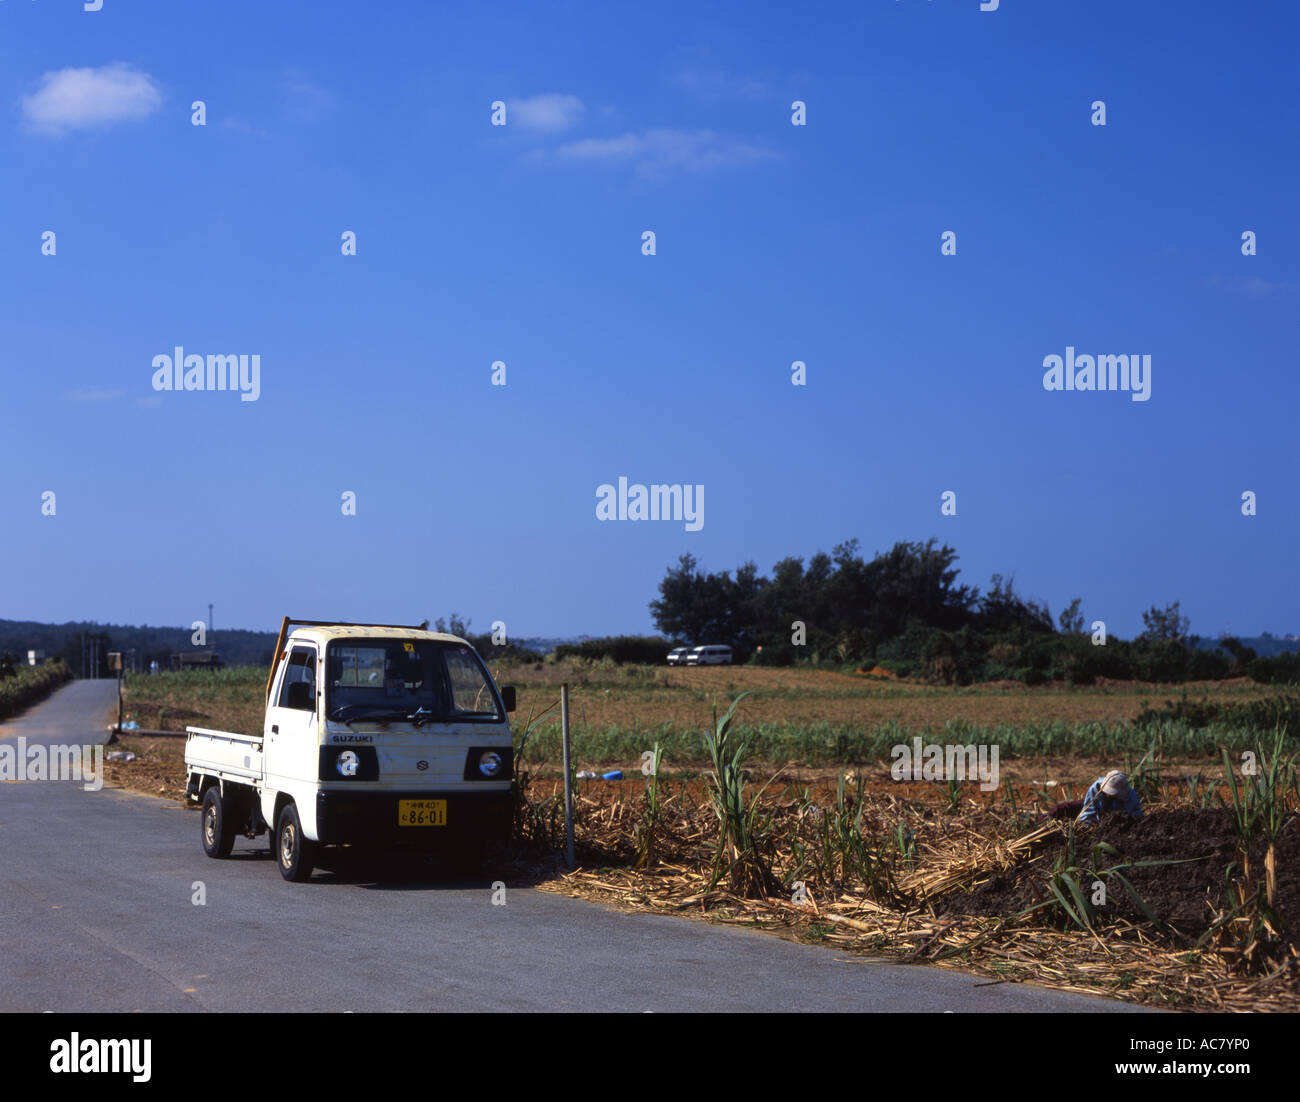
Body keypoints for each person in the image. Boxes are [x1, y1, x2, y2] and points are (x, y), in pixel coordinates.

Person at [1076, 769, 1142, 824]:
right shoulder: (1095, 789)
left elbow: (1136, 816)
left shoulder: (1131, 797)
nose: (1108, 794)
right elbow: (1087, 813)